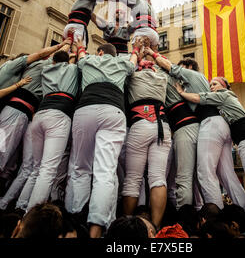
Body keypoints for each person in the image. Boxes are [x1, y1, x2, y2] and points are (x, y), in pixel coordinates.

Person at [149, 55, 245, 212]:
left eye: (181, 70)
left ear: (188, 69)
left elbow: (194, 95)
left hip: (209, 126)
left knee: (204, 174)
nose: (178, 75)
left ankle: (214, 217)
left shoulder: (192, 78)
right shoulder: (200, 84)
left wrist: (152, 54)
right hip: (218, 126)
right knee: (226, 176)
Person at [64, 38, 141, 238]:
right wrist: (135, 48)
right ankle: (96, 229)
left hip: (86, 109)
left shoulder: (89, 60)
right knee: (105, 171)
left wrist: (80, 45)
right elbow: (133, 61)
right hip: (113, 112)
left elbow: (80, 55)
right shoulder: (122, 63)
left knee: (80, 168)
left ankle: (76, 222)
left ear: (99, 52)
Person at [175, 76, 245, 219]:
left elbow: (199, 98)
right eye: (210, 84)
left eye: (215, 84)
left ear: (223, 85)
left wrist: (181, 92)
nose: (211, 87)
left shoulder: (223, 95)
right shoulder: (227, 100)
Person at [17, 42, 78, 212]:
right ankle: (30, 213)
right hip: (58, 116)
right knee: (48, 169)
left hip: (40, 115)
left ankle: (20, 206)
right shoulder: (72, 70)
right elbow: (73, 64)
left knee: (36, 169)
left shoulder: (46, 69)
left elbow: (56, 60)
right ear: (68, 62)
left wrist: (65, 47)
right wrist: (73, 55)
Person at [0, 39, 71, 175]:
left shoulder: (27, 69)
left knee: (9, 152)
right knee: (4, 149)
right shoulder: (42, 65)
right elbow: (56, 55)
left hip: (15, 111)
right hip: (17, 112)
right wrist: (66, 43)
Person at [143, 47, 200, 210]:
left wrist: (149, 53)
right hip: (186, 129)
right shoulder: (183, 84)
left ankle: (185, 222)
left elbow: (162, 66)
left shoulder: (168, 77)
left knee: (183, 179)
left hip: (185, 129)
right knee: (192, 179)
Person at [122, 51, 172, 230]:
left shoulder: (134, 77)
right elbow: (166, 65)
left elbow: (126, 68)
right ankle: (155, 229)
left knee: (132, 179)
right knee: (158, 178)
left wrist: (136, 53)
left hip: (140, 124)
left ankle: (127, 226)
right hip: (162, 127)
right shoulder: (162, 78)